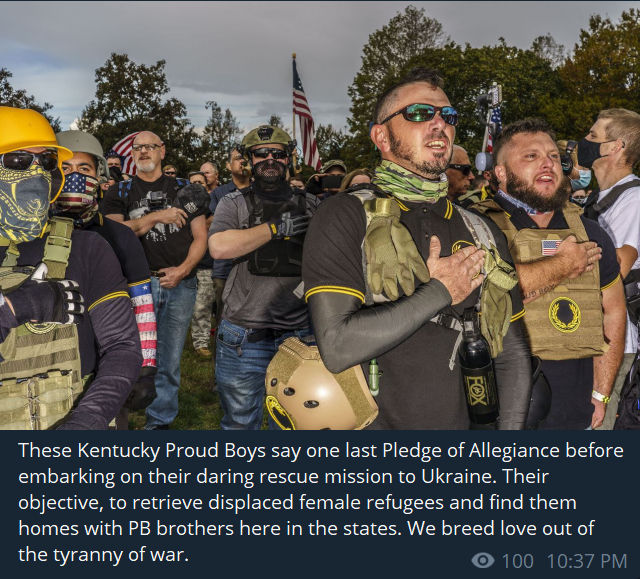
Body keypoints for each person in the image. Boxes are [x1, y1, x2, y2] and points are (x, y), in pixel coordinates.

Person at [302, 68, 531, 430]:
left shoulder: (481, 229)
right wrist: (440, 291)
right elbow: (337, 345)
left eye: (448, 115)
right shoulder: (344, 215)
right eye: (420, 113)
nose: (440, 123)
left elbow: (512, 351)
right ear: (382, 136)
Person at [472, 118, 626, 430]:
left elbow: (614, 310)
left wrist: (601, 391)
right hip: (496, 412)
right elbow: (476, 299)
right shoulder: (475, 227)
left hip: (573, 413)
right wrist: (560, 266)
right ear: (499, 172)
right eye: (531, 156)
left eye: (554, 156)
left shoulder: (589, 231)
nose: (548, 164)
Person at [0, 106, 141, 430]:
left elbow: (122, 346)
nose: (36, 172)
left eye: (47, 161)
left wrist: (86, 422)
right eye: (18, 160)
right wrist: (15, 307)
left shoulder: (87, 249)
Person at [208, 125, 319, 429]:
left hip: (299, 332)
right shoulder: (234, 202)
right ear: (249, 160)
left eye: (277, 153)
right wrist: (275, 229)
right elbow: (218, 247)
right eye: (261, 153)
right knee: (241, 424)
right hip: (244, 334)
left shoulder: (311, 204)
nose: (270, 159)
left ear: (289, 159)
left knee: (296, 423)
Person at [103, 131, 208, 430]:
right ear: (132, 155)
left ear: (162, 151)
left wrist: (184, 269)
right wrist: (155, 217)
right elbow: (115, 234)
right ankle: (115, 420)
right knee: (123, 356)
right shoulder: (120, 192)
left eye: (150, 147)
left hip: (178, 282)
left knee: (169, 361)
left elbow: (201, 237)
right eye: (138, 148)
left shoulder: (186, 189)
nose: (143, 152)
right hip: (133, 286)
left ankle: (159, 424)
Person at [54, 129, 158, 428]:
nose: (75, 176)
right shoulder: (30, 234)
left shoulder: (119, 235)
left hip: (111, 366)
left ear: (99, 175)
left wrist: (146, 369)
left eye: (84, 168)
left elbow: (142, 304)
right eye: (65, 168)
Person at [580, 109, 640, 429]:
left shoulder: (634, 199)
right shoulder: (596, 199)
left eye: (593, 136)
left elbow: (614, 264)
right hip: (588, 337)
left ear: (614, 147)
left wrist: (552, 253)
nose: (584, 142)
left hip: (616, 347)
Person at [208, 146, 252, 371]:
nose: (242, 163)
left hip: (255, 268)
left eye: (246, 158)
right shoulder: (219, 193)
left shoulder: (262, 190)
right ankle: (221, 371)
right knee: (224, 320)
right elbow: (216, 227)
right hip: (225, 268)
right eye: (237, 159)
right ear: (228, 165)